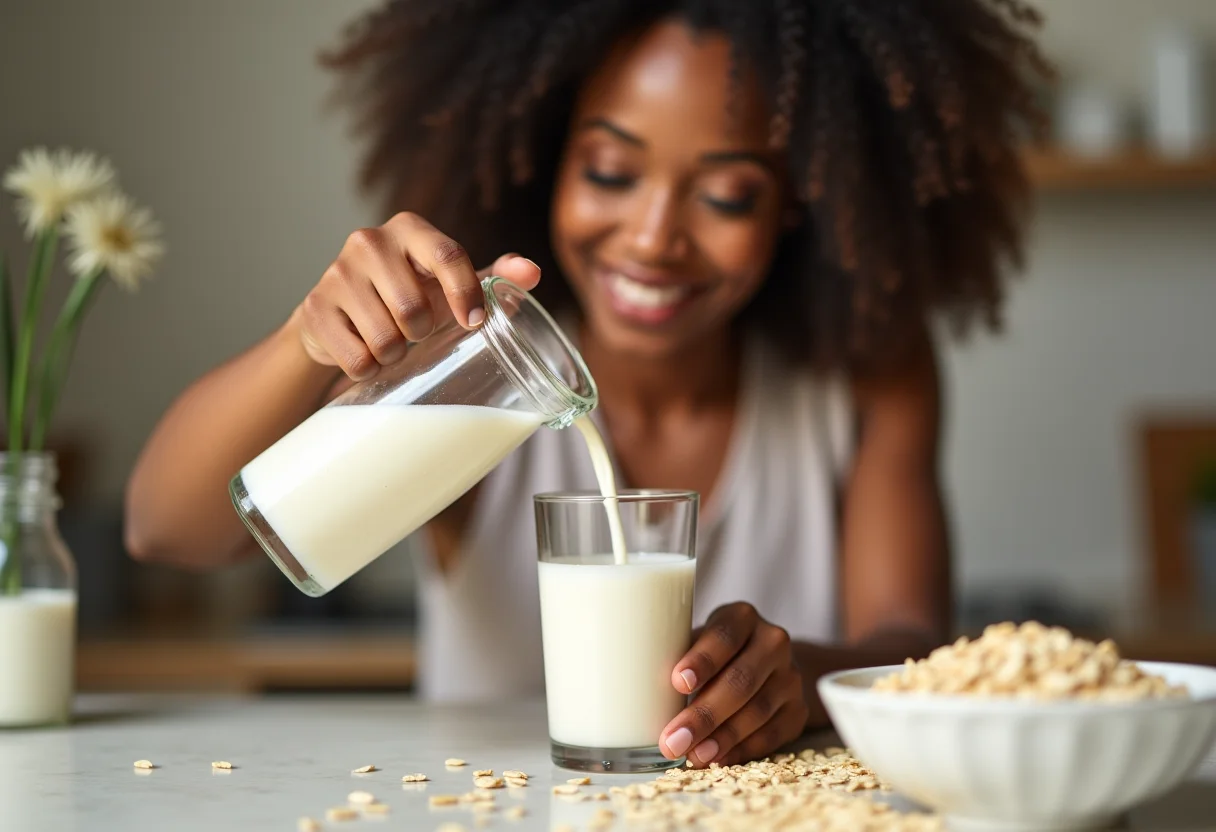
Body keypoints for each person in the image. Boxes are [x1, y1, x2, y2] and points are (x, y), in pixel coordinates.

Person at [125, 0, 1048, 768]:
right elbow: (166, 528)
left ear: (797, 203)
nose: (653, 237)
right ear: (548, 156)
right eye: (611, 170)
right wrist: (303, 342)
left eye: (725, 194)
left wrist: (796, 678)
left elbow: (911, 647)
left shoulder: (866, 374)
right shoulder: (474, 364)